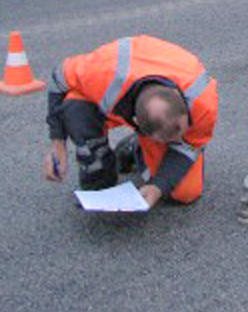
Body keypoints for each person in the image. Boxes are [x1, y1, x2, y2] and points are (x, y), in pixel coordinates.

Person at [42, 35, 218, 208]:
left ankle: (136, 148)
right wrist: (58, 144)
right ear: (137, 123)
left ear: (181, 101)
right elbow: (59, 79)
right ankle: (99, 167)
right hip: (118, 90)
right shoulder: (102, 73)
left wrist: (158, 186)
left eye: (179, 135)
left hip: (142, 102)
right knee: (75, 107)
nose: (175, 142)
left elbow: (190, 146)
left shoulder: (202, 101)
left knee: (184, 193)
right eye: (169, 141)